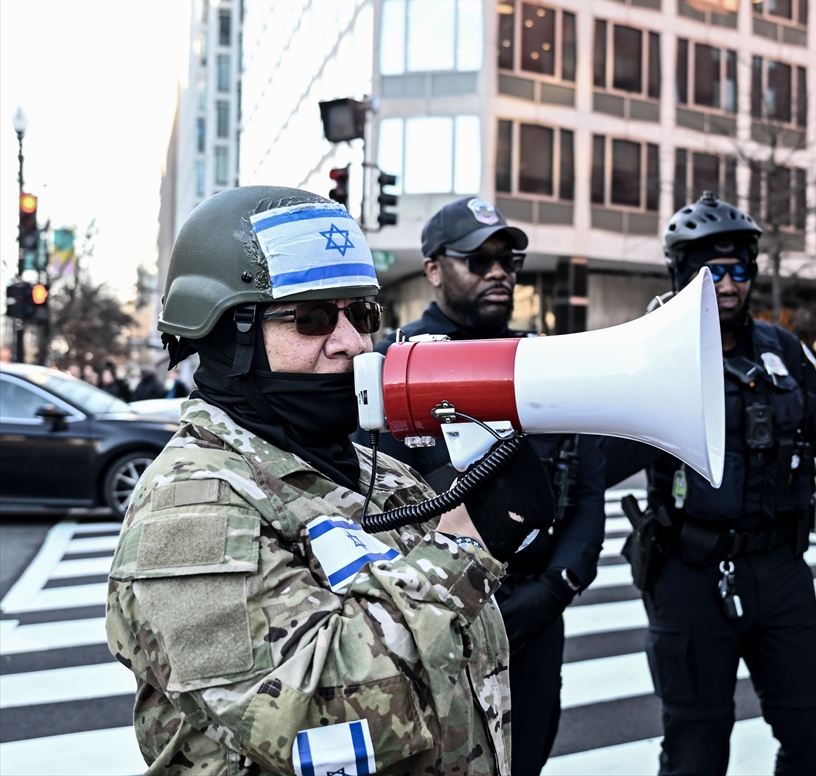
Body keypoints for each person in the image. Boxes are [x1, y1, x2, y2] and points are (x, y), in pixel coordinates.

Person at [106, 186, 556, 776]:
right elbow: (309, 725)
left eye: (361, 314)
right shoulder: (188, 508)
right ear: (229, 335)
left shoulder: (379, 472)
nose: (353, 343)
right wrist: (465, 545)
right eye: (313, 317)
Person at [603, 191, 816, 776]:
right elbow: (604, 461)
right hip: (689, 569)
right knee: (696, 746)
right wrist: (658, 365)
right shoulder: (652, 351)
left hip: (780, 567)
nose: (727, 285)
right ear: (682, 275)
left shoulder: (782, 348)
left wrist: (786, 396)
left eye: (738, 271)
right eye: (710, 272)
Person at [360, 196, 606, 776]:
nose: (499, 272)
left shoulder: (542, 360)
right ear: (432, 269)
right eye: (478, 260)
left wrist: (556, 588)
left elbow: (586, 487)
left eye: (508, 260)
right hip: (433, 620)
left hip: (534, 617)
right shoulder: (391, 366)